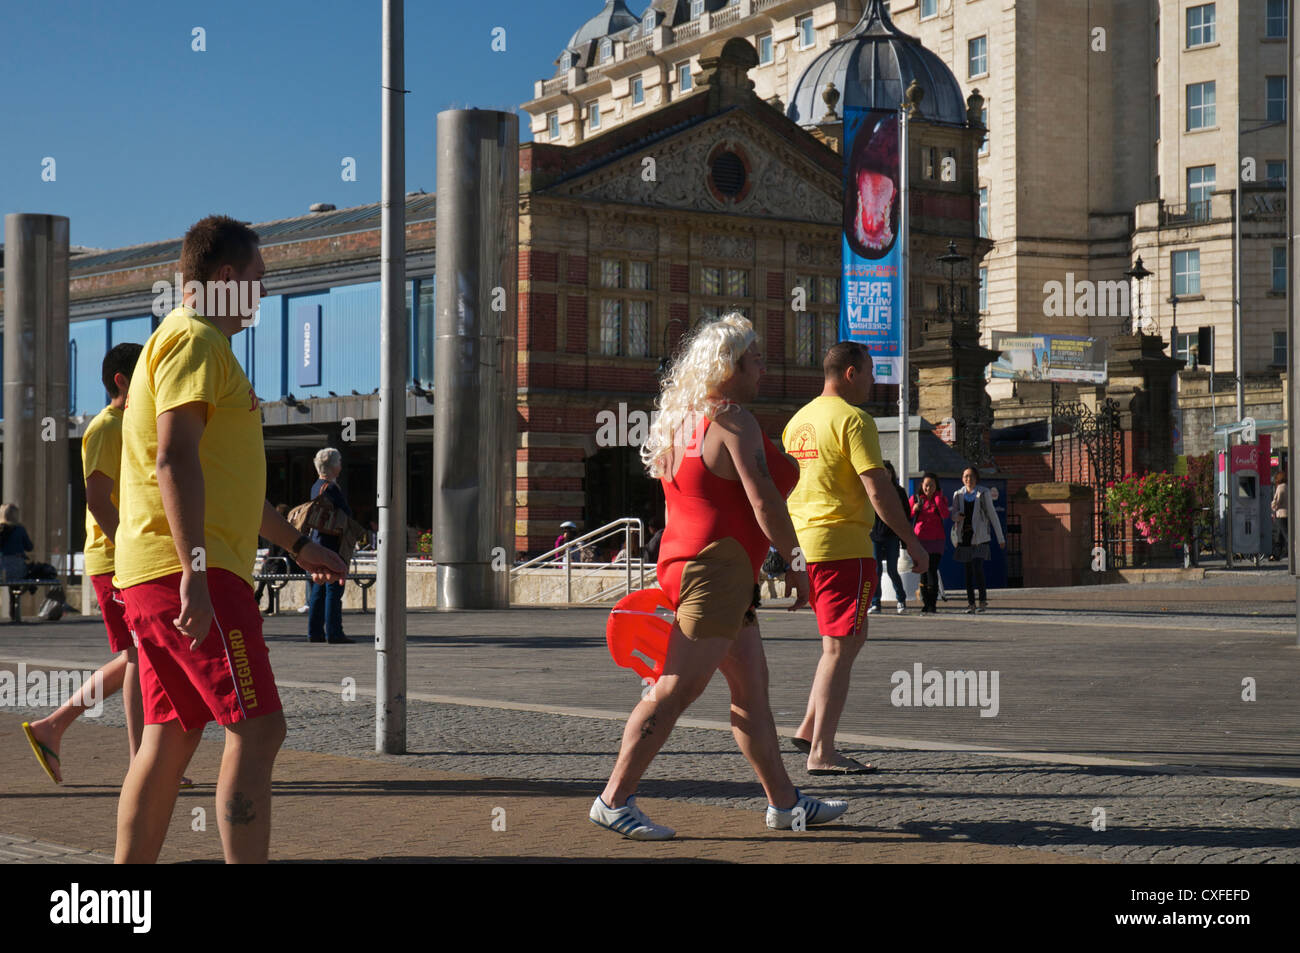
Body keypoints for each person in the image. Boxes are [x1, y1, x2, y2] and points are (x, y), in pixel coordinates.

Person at [113, 215, 346, 864]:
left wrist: (298, 546)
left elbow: (229, 485)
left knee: (171, 735)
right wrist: (193, 571)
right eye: (258, 280)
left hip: (159, 570)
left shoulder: (189, 343)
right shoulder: (195, 341)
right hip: (197, 572)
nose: (264, 294)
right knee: (260, 727)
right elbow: (174, 458)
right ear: (225, 279)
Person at [590, 312, 846, 839]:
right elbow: (765, 501)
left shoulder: (681, 420)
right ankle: (614, 799)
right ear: (728, 366)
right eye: (754, 358)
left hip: (692, 564)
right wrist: (796, 562)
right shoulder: (734, 420)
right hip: (719, 569)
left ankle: (785, 804)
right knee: (673, 689)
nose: (764, 368)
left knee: (751, 692)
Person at [784, 342, 928, 775]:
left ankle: (810, 727)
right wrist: (911, 541)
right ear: (849, 373)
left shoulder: (797, 422)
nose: (872, 381)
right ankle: (823, 752)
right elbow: (877, 489)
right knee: (839, 647)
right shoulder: (854, 420)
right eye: (868, 372)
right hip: (844, 545)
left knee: (844, 641)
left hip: (805, 544)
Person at [23, 344, 160, 786]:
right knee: (140, 656)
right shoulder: (105, 427)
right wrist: (130, 549)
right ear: (121, 381)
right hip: (116, 559)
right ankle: (143, 764)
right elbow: (99, 499)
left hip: (131, 558)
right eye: (143, 374)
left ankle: (54, 726)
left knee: (140, 654)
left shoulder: (138, 423)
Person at [307, 449, 353, 644]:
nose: (341, 466)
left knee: (319, 589)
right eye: (339, 462)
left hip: (317, 542)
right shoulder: (332, 488)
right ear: (334, 466)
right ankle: (334, 632)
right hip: (332, 544)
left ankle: (314, 631)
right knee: (334, 588)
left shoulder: (316, 486)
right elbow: (346, 513)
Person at [951, 466, 1004, 613]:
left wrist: (1000, 537)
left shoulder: (983, 493)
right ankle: (971, 604)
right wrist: (956, 517)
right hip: (965, 538)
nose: (968, 479)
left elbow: (992, 515)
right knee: (968, 571)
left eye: (971, 476)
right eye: (966, 476)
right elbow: (953, 514)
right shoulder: (958, 494)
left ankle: (982, 601)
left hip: (980, 537)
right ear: (962, 479)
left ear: (976, 478)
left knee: (978, 569)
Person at [867, 461, 911, 615]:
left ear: (892, 474)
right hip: (875, 536)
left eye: (888, 472)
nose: (886, 475)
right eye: (882, 473)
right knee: (876, 570)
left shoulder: (899, 492)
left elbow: (906, 515)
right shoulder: (874, 491)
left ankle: (901, 600)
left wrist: (905, 539)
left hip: (892, 536)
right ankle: (875, 602)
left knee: (893, 569)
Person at [910, 471, 950, 614]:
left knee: (931, 570)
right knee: (923, 572)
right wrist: (914, 509)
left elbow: (946, 515)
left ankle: (932, 604)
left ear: (936, 486)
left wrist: (938, 501)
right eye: (927, 485)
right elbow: (906, 515)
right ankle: (926, 603)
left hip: (936, 541)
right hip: (920, 541)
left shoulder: (941, 499)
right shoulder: (915, 499)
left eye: (932, 485)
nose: (929, 488)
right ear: (922, 485)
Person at [254, 503, 292, 613]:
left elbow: (283, 552)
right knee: (267, 571)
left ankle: (258, 595)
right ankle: (260, 597)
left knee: (268, 573)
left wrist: (273, 562)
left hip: (284, 563)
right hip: (275, 562)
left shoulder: (285, 530)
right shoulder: (275, 530)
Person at [0, 503, 34, 584]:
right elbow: (29, 547)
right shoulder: (20, 529)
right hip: (18, 567)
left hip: (1, 568)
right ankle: (15, 595)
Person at [1271, 468, 1288, 561]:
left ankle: (1295, 552)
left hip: (1281, 514)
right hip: (1287, 514)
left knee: (1284, 535)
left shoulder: (1280, 487)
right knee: (1280, 535)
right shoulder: (1287, 486)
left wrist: (1273, 506)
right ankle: (1275, 555)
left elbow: (1276, 501)